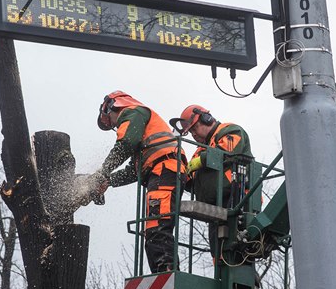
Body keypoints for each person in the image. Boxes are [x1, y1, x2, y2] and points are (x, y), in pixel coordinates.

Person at [94, 91, 185, 273]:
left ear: (111, 106)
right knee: (153, 228)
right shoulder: (143, 129)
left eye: (110, 120)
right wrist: (108, 181)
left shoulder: (133, 112)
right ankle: (163, 273)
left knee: (157, 226)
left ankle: (166, 273)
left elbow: (126, 143)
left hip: (164, 170)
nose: (114, 125)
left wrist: (101, 172)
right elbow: (134, 171)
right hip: (162, 171)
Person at [169, 105, 253, 257]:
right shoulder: (200, 150)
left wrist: (201, 161)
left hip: (239, 200)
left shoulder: (230, 131)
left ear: (206, 119)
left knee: (237, 253)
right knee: (218, 253)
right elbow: (193, 181)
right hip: (215, 208)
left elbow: (228, 151)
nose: (193, 134)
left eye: (194, 128)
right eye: (191, 132)